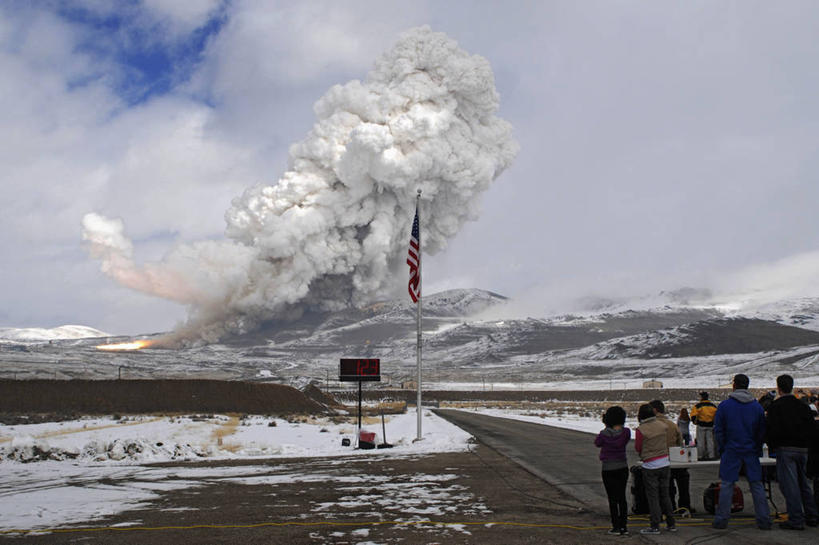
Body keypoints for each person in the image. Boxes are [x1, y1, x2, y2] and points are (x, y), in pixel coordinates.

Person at [712, 374, 771, 530]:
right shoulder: (756, 407)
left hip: (731, 449)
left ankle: (721, 520)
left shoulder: (725, 406)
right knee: (756, 485)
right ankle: (764, 519)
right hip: (751, 449)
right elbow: (761, 430)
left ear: (734, 385)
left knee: (726, 485)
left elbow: (718, 430)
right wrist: (757, 446)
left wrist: (723, 448)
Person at [766, 374, 819, 530]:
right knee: (804, 483)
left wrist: (772, 445)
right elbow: (811, 428)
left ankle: (796, 518)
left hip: (785, 449)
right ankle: (812, 515)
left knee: (790, 485)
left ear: (779, 388)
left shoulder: (776, 407)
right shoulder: (802, 406)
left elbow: (771, 429)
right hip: (803, 449)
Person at [635, 403, 676, 534]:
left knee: (653, 497)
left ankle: (655, 525)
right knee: (665, 495)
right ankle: (671, 523)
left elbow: (638, 447)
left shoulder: (641, 429)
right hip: (665, 463)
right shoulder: (662, 426)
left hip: (650, 465)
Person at [595, 406, 631, 536]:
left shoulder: (604, 434)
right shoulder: (626, 432)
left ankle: (615, 526)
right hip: (622, 467)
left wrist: (606, 428)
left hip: (608, 468)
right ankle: (624, 526)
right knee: (622, 497)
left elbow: (597, 443)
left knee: (612, 499)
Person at [650, 400, 691, 514]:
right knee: (683, 483)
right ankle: (684, 507)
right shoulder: (672, 425)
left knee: (667, 488)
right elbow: (680, 443)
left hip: (659, 461)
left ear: (654, 410)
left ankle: (669, 507)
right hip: (675, 460)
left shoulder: (650, 426)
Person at [691, 391, 717, 460]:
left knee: (700, 441)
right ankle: (711, 455)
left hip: (701, 425)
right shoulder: (713, 406)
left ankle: (700, 456)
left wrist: (695, 422)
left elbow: (693, 416)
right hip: (710, 425)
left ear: (701, 397)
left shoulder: (698, 406)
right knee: (710, 441)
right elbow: (717, 416)